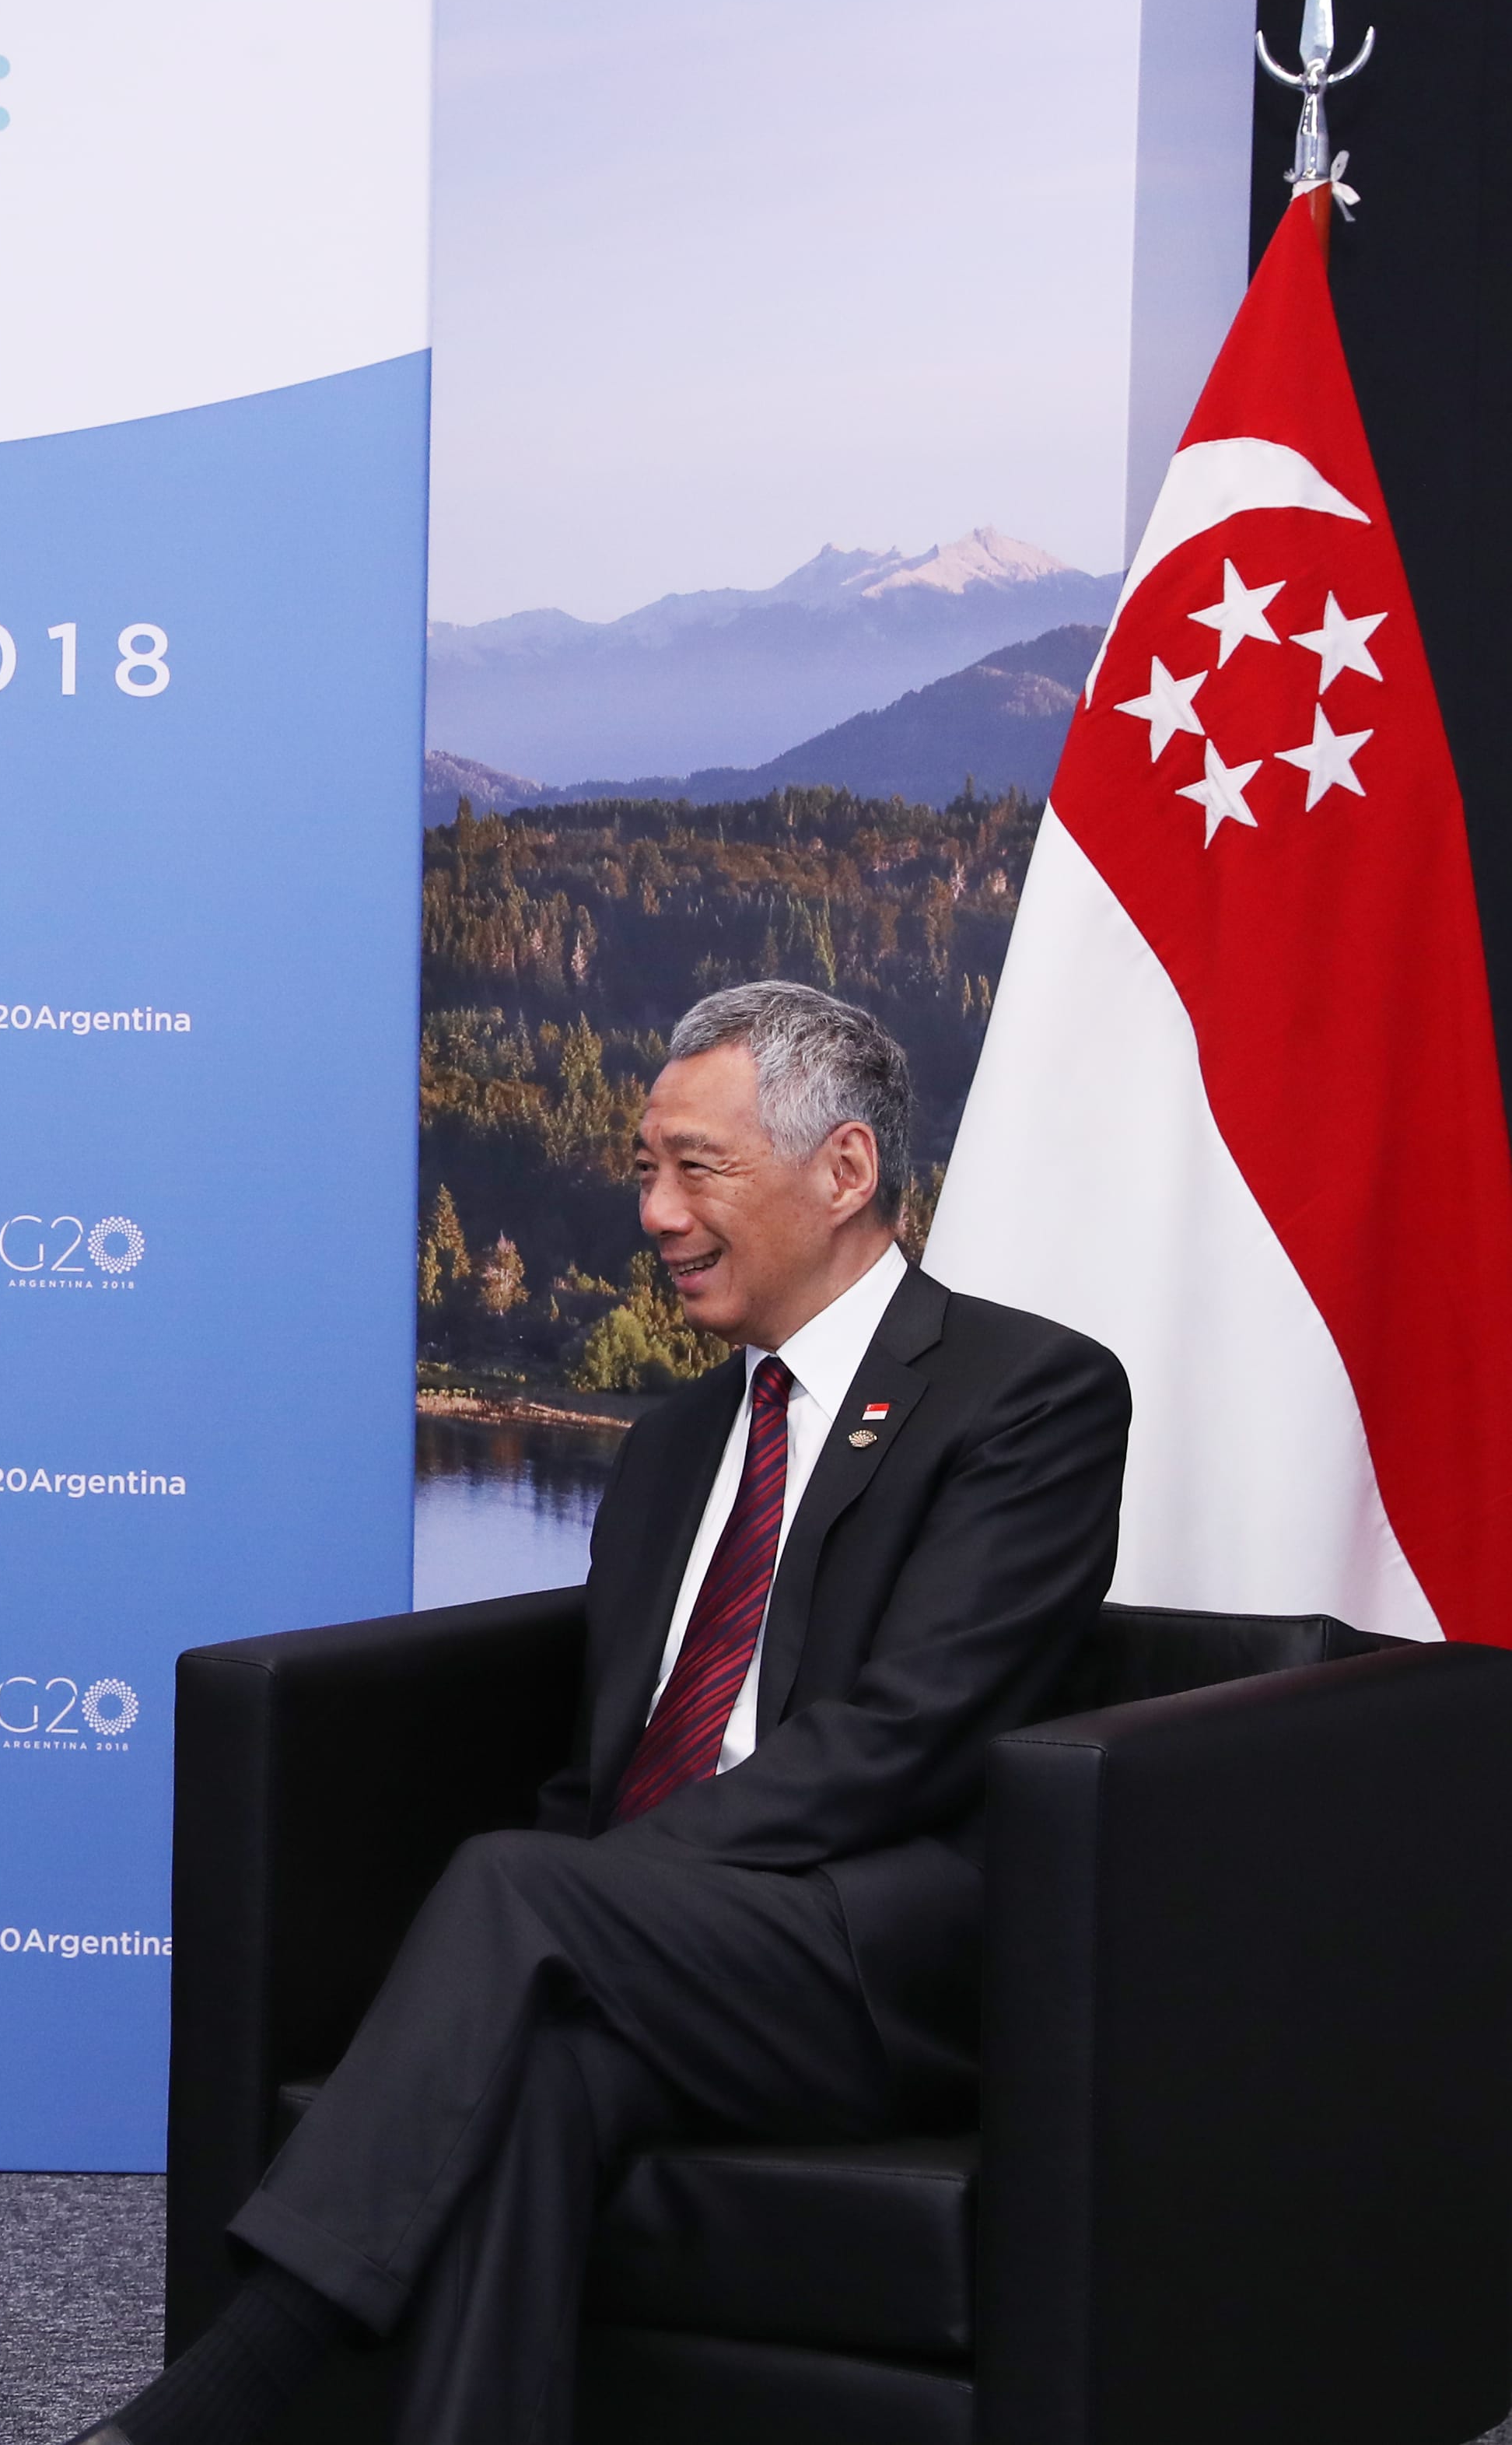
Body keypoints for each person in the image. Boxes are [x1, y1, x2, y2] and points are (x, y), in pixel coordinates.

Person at [67, 981, 1132, 2445]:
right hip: (663, 1951)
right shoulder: (676, 1443)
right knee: (544, 2077)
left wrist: (575, 1901)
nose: (656, 1212)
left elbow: (908, 1741)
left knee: (516, 1891)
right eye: (645, 1167)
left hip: (877, 1958)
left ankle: (223, 2395)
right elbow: (610, 1756)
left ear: (844, 1173)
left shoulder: (1030, 1395)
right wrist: (575, 1912)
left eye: (700, 1168)